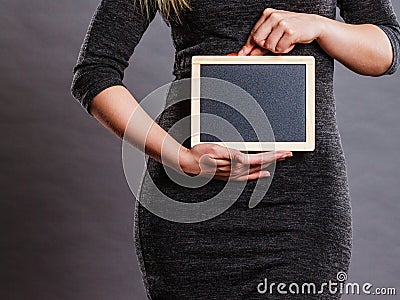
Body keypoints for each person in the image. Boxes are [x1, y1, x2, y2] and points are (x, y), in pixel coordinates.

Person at [70, 0, 400, 299]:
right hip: (190, 209)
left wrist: (321, 26)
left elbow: (387, 49)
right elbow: (95, 73)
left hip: (300, 210)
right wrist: (182, 159)